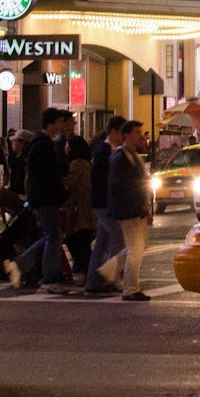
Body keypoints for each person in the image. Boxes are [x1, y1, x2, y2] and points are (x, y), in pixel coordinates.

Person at [16, 109, 74, 291]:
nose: (61, 125)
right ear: (51, 123)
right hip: (46, 197)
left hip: (43, 196)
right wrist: (61, 191)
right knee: (53, 236)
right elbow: (47, 175)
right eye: (59, 122)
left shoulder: (41, 143)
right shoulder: (43, 144)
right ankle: (48, 279)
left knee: (52, 236)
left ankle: (21, 264)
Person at [108, 120, 154, 302]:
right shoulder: (120, 156)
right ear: (126, 135)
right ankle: (130, 288)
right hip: (129, 210)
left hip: (135, 209)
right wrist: (140, 207)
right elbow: (121, 186)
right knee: (136, 248)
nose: (140, 135)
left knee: (137, 247)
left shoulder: (132, 156)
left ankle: (108, 272)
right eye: (136, 132)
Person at [84, 116, 126, 295]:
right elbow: (100, 179)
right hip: (104, 204)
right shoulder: (104, 151)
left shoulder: (108, 150)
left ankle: (93, 282)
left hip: (103, 203)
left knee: (102, 242)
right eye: (122, 132)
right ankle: (109, 277)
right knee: (118, 240)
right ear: (114, 131)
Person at [63, 135, 96, 283]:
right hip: (88, 209)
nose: (65, 148)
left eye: (67, 145)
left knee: (75, 241)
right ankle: (84, 271)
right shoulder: (87, 163)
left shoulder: (76, 164)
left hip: (80, 209)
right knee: (82, 242)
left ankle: (90, 272)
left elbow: (68, 184)